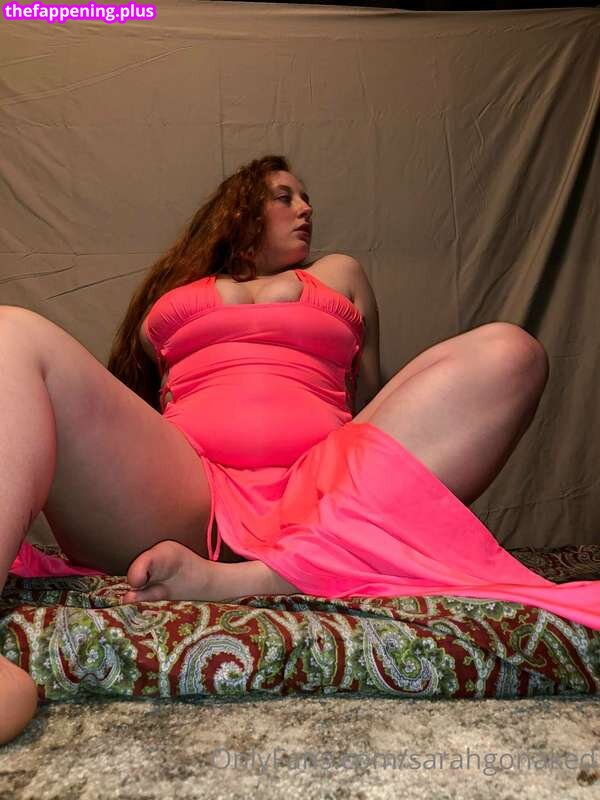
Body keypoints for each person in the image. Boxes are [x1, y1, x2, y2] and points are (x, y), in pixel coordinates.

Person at [1, 155, 598, 745]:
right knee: (12, 331)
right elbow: (140, 395)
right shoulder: (175, 292)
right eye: (284, 196)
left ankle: (261, 575)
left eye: (306, 197)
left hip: (319, 492)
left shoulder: (339, 274)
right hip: (187, 490)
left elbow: (374, 400)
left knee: (510, 351)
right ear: (239, 209)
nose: (306, 208)